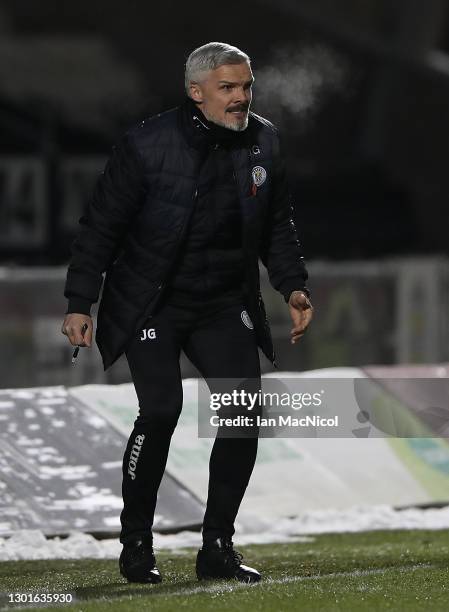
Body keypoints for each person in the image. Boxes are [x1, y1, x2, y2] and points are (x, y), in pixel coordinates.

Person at [61, 41, 313, 584]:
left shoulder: (265, 140)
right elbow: (100, 227)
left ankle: (217, 548)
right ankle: (136, 547)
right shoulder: (147, 144)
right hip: (153, 300)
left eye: (247, 86)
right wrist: (80, 302)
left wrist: (292, 286)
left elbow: (277, 225)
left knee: (243, 414)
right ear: (196, 92)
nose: (241, 97)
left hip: (223, 302)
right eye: (228, 88)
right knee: (160, 411)